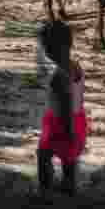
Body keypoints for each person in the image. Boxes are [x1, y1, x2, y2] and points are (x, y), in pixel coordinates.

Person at [36, 20, 87, 196]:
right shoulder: (76, 67)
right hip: (78, 118)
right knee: (68, 159)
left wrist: (67, 129)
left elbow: (65, 102)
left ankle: (45, 189)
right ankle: (69, 184)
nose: (46, 52)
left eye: (46, 48)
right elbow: (79, 97)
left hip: (61, 122)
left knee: (43, 155)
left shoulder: (58, 76)